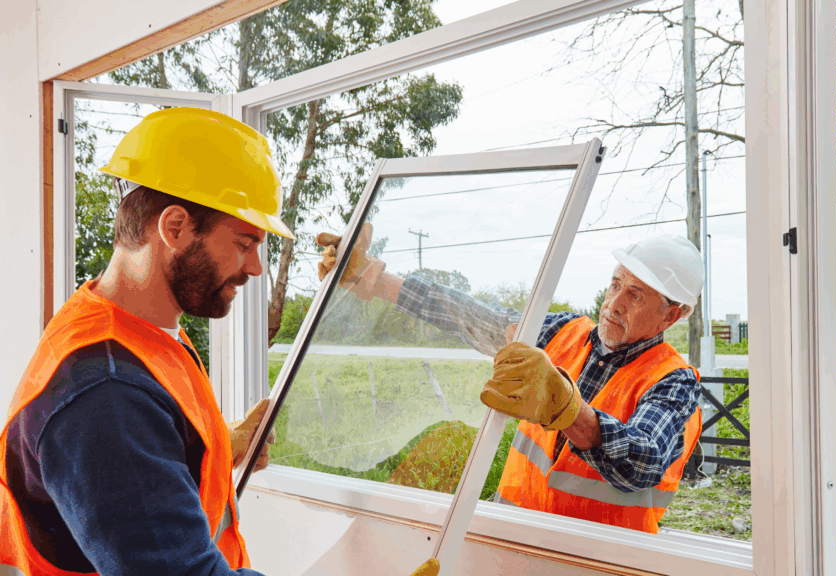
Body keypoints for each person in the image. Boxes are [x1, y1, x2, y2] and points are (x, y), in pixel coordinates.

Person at [0, 108, 291, 575]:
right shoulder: (107, 393)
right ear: (174, 227)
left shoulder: (135, 332)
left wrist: (216, 445)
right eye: (243, 243)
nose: (255, 267)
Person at [318, 232, 705, 533]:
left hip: (595, 561)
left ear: (672, 316)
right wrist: (377, 280)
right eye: (616, 284)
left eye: (635, 295)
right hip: (512, 542)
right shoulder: (561, 332)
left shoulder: (673, 382)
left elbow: (643, 461)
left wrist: (567, 410)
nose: (614, 304)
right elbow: (469, 316)